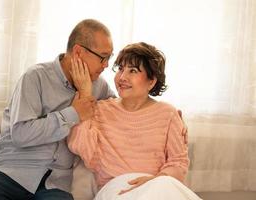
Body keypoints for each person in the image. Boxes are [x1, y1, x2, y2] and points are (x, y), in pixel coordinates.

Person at [0, 19, 115, 200]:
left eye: (109, 58)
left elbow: (125, 111)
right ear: (78, 52)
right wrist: (74, 113)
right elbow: (21, 134)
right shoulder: (35, 77)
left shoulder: (98, 87)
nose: (106, 65)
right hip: (9, 171)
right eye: (103, 57)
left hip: (54, 185)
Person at [68, 42, 202, 200]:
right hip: (117, 189)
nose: (122, 77)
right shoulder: (100, 110)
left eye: (133, 71)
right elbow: (80, 147)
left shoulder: (169, 114)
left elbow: (178, 162)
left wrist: (158, 178)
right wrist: (84, 94)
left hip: (158, 185)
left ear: (151, 81)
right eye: (120, 69)